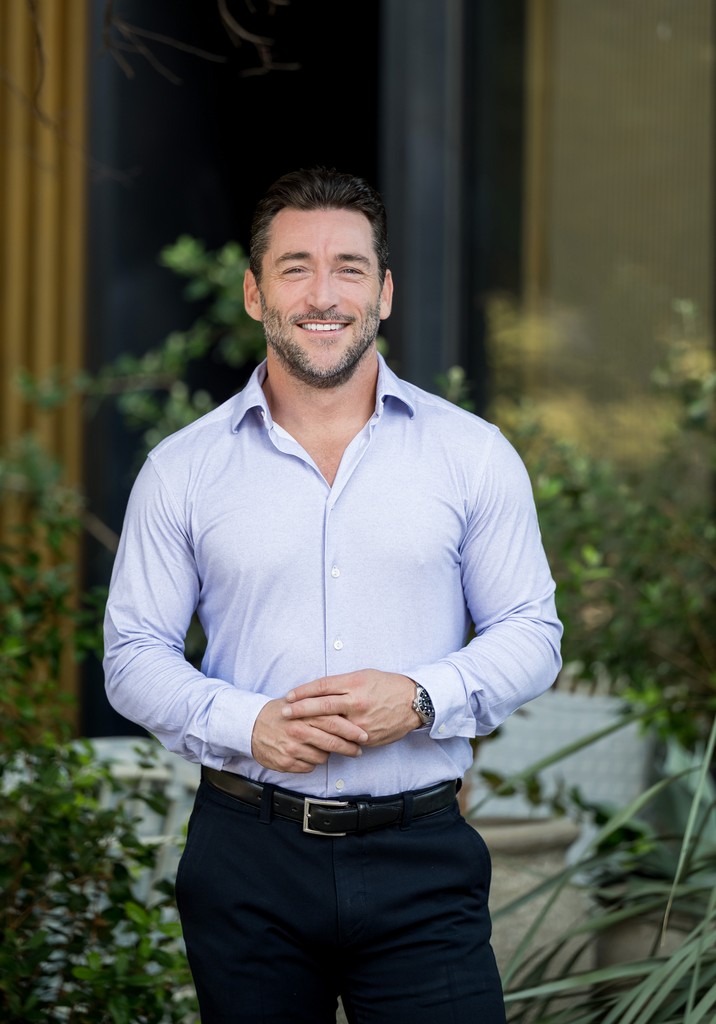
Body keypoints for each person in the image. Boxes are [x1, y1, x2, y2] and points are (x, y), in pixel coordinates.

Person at [103, 166, 562, 1024]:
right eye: (296, 268)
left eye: (348, 268)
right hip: (247, 861)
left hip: (421, 860)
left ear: (383, 293)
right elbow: (132, 657)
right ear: (255, 293)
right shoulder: (182, 470)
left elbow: (532, 631)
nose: (323, 295)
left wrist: (420, 697)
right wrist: (250, 724)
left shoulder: (472, 455)